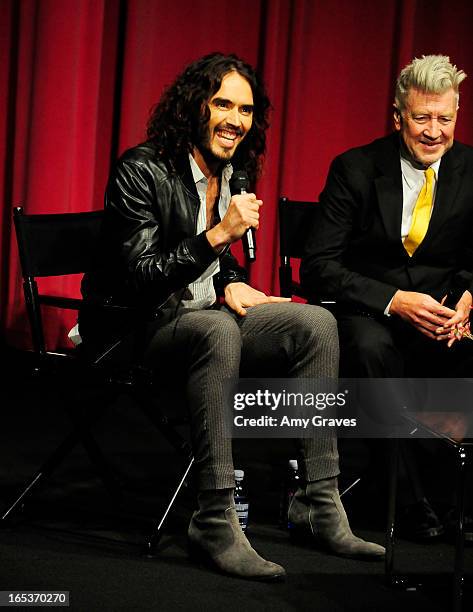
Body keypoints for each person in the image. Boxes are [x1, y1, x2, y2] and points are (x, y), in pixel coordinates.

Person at [78, 52, 384, 581]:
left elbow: (211, 271)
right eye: (222, 104)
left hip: (199, 319)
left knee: (315, 325)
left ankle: (318, 499)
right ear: (194, 106)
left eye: (245, 111)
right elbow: (138, 279)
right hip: (133, 327)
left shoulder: (232, 171)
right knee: (217, 327)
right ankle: (215, 515)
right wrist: (219, 236)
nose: (235, 120)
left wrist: (231, 280)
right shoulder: (141, 169)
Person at [301, 54, 473, 539]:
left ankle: (458, 497)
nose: (434, 131)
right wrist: (395, 300)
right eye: (421, 118)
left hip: (444, 314)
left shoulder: (472, 169)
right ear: (398, 117)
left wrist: (467, 298)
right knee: (373, 349)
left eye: (444, 118)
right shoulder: (355, 169)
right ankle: (406, 496)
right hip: (369, 311)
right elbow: (319, 267)